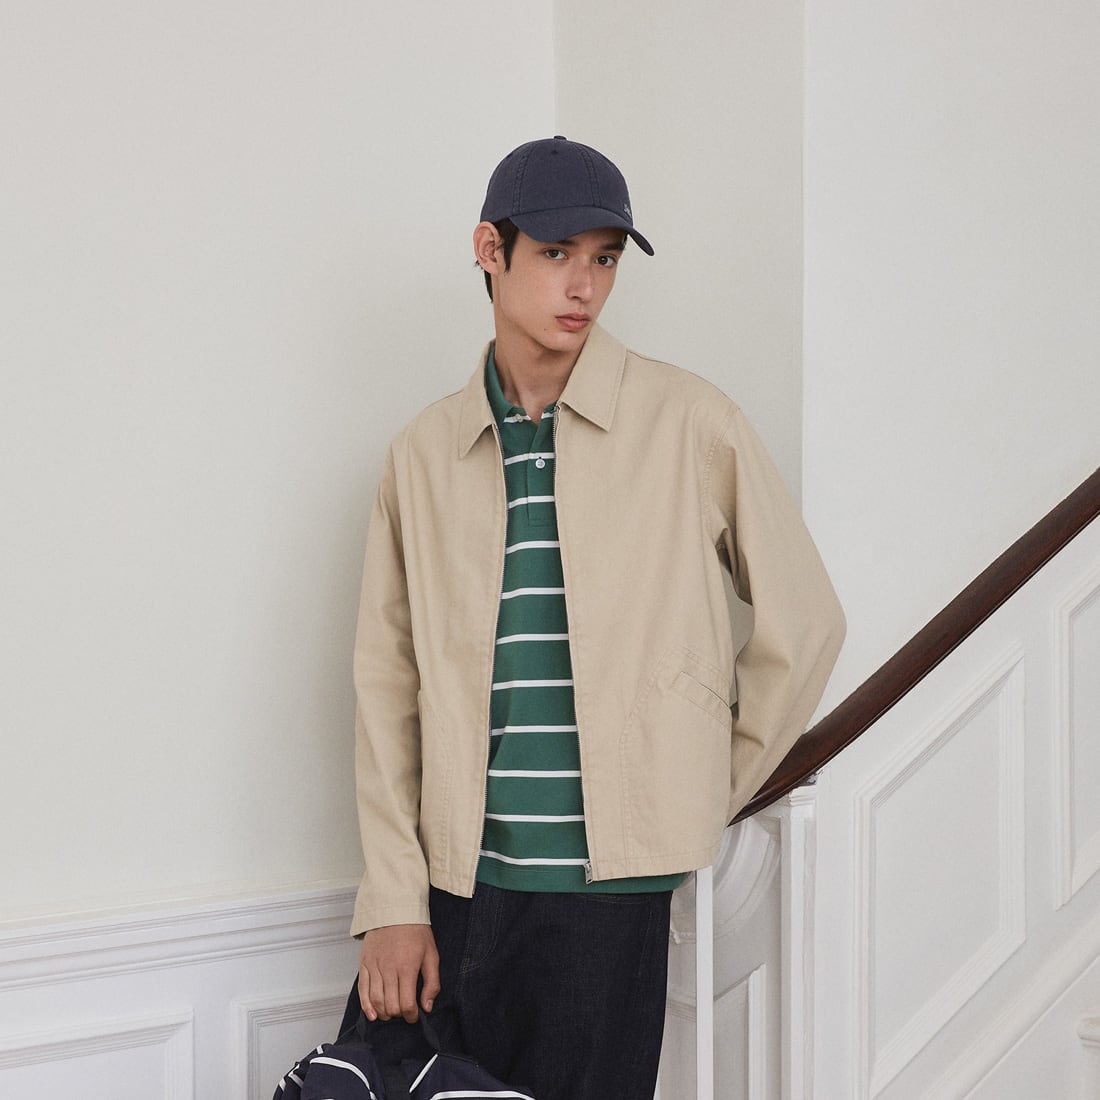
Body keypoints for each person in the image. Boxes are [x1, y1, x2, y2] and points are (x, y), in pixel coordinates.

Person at [350, 135, 845, 1099]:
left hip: (607, 898)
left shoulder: (691, 422)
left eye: (605, 258)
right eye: (555, 254)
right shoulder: (423, 453)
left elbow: (807, 622)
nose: (584, 286)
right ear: (489, 250)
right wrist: (394, 900)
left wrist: (695, 790)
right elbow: (385, 687)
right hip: (452, 891)